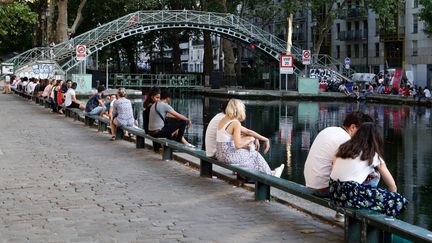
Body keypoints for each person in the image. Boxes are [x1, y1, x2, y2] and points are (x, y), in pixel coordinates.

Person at [329, 122, 408, 217]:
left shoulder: (343, 148)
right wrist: (393, 198)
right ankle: (383, 225)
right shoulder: (372, 155)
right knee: (399, 201)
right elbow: (392, 186)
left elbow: (335, 168)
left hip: (334, 191)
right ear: (376, 138)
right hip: (349, 195)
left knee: (374, 177)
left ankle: (344, 214)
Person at [304, 111, 373, 197]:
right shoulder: (346, 141)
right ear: (353, 127)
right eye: (363, 132)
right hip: (324, 189)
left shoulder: (330, 129)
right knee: (374, 176)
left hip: (311, 184)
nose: (364, 137)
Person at [215, 99, 284, 177]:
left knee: (249, 151)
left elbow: (247, 132)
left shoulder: (223, 120)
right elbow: (238, 145)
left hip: (220, 155)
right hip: (227, 157)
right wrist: (250, 139)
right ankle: (271, 175)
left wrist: (262, 138)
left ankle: (266, 174)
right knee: (255, 155)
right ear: (239, 109)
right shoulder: (235, 123)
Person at [205, 100, 270, 158]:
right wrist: (263, 139)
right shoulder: (225, 119)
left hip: (212, 151)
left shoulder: (220, 116)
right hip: (215, 153)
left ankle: (244, 168)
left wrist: (255, 137)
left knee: (244, 142)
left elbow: (245, 132)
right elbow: (247, 132)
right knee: (251, 151)